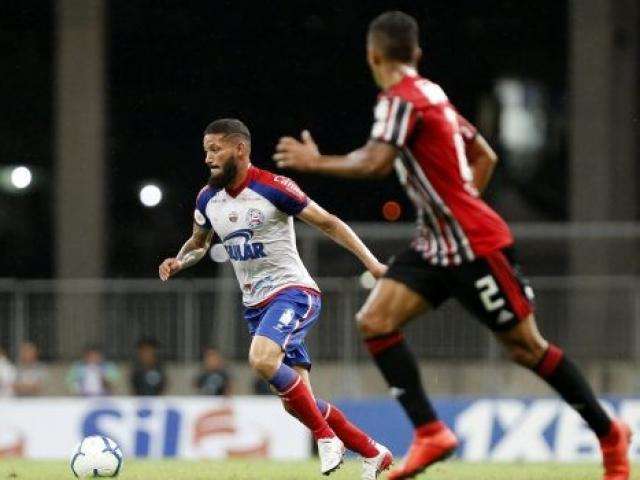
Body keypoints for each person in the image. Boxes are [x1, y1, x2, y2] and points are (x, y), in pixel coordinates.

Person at [273, 11, 631, 480]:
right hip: (438, 244)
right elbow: (485, 155)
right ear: (416, 53)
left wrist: (317, 163)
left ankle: (609, 433)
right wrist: (452, 210)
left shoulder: (398, 99)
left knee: (527, 348)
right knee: (375, 320)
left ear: (372, 54)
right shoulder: (432, 93)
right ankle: (430, 431)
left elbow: (376, 161)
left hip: (477, 246)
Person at [159, 118, 393, 479]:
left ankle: (326, 438)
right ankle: (373, 452)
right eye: (206, 151)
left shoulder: (273, 187)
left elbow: (329, 222)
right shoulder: (208, 198)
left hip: (293, 293)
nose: (208, 158)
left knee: (261, 358)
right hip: (256, 306)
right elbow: (199, 244)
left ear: (240, 149)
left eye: (215, 149)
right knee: (298, 405)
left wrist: (373, 264)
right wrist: (179, 260)